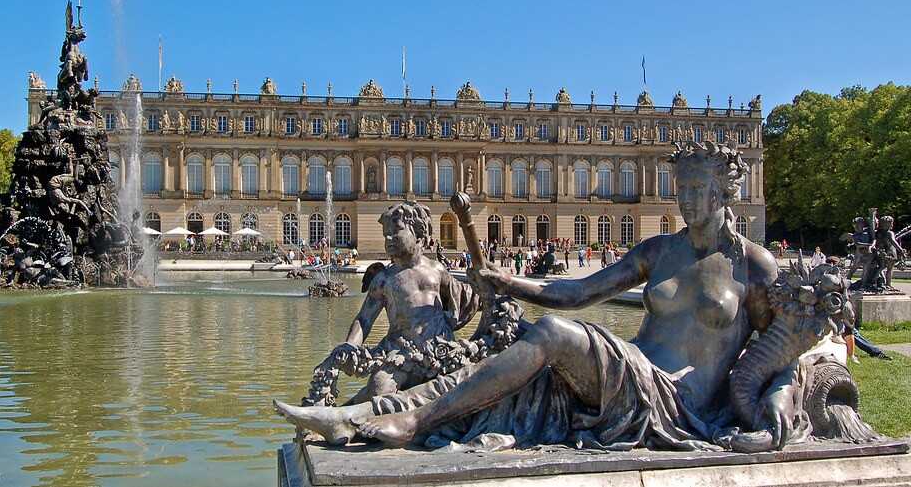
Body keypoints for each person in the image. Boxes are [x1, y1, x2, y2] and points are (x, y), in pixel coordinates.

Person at [276, 142, 798, 453]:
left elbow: (782, 351)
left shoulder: (753, 265)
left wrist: (775, 404)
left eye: (695, 188)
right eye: (678, 187)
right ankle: (366, 414)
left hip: (679, 403)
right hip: (630, 374)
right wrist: (508, 283)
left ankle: (411, 421)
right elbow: (575, 292)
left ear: (725, 191)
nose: (684, 199)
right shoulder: (659, 249)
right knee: (511, 354)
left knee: (548, 335)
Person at [319, 201, 481, 404]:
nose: (388, 239)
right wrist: (351, 345)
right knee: (378, 390)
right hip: (401, 353)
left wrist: (485, 288)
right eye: (386, 234)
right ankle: (342, 414)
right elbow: (364, 319)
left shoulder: (438, 270)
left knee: (472, 387)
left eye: (395, 232)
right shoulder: (384, 279)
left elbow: (464, 297)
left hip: (441, 351)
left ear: (419, 234)